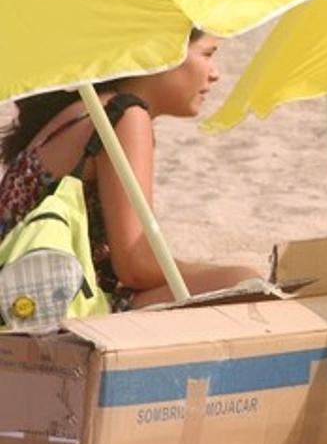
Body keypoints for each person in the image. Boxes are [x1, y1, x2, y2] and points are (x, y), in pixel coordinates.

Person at [0, 30, 259, 311]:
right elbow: (136, 266)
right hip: (63, 309)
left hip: (31, 299)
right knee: (244, 282)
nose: (215, 74)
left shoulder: (85, 109)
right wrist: (202, 270)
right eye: (207, 54)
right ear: (160, 52)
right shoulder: (124, 116)